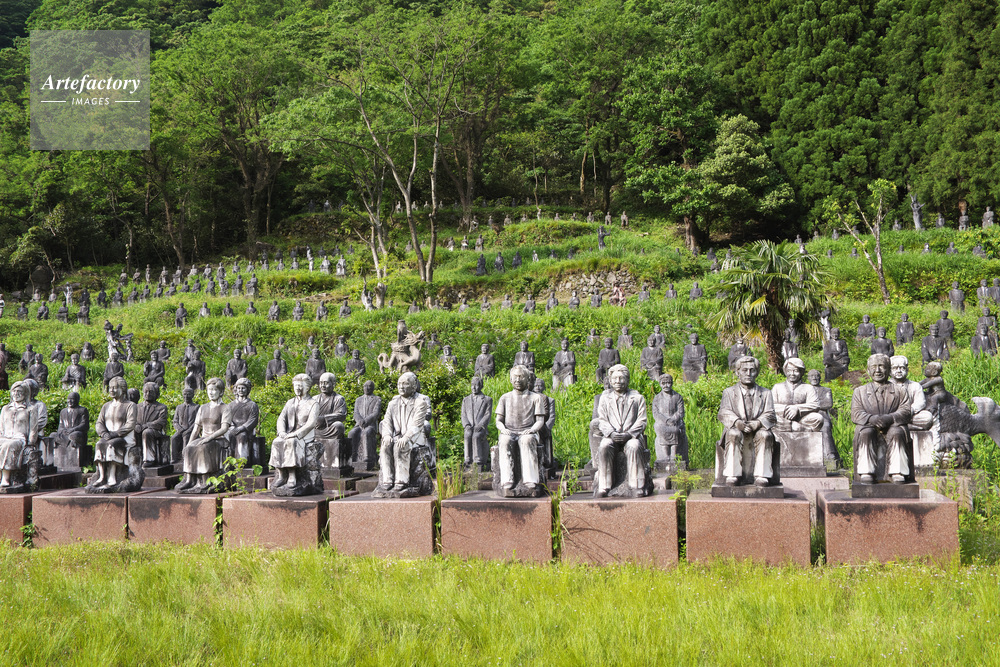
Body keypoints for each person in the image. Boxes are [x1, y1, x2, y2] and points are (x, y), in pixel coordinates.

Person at [851, 354, 913, 485]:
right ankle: (866, 472)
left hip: (893, 425)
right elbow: (856, 413)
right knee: (866, 432)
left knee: (897, 432)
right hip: (869, 425)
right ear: (868, 370)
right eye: (874, 367)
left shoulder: (900, 390)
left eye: (882, 366)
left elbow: (906, 411)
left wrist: (890, 418)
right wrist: (871, 418)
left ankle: (898, 472)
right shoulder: (860, 391)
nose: (878, 370)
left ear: (889, 370)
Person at [717, 356, 777, 487]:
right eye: (744, 370)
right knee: (733, 434)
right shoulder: (729, 392)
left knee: (765, 435)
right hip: (736, 428)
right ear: (737, 372)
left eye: (752, 370)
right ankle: (732, 475)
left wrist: (758, 423)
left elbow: (771, 414)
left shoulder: (766, 393)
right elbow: (723, 412)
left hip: (758, 429)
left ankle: (762, 475)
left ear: (757, 372)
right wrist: (737, 422)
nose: (748, 373)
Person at [594, 364, 650, 497]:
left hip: (631, 436)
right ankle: (604, 486)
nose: (618, 381)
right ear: (610, 381)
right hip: (611, 435)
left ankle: (636, 486)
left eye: (621, 378)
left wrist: (629, 434)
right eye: (614, 379)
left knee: (634, 446)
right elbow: (602, 420)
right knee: (604, 446)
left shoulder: (637, 398)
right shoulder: (604, 398)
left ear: (627, 379)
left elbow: (642, 421)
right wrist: (611, 433)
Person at [376, 372, 434, 497]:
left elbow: (417, 425)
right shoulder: (392, 403)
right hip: (398, 435)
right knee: (385, 446)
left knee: (400, 446)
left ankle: (401, 481)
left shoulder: (420, 402)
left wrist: (406, 438)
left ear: (413, 386)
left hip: (415, 437)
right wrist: (387, 435)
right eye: (399, 384)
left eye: (405, 384)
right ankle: (387, 479)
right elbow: (387, 422)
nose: (401, 387)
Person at [494, 366, 546, 495]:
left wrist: (532, 430)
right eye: (515, 377)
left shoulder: (536, 398)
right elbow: (498, 420)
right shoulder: (505, 398)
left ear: (527, 379)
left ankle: (530, 480)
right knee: (504, 441)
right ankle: (507, 480)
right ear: (511, 379)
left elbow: (540, 420)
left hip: (528, 431)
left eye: (521, 376)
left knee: (527, 440)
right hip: (509, 431)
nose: (518, 380)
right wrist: (503, 429)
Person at [176, 378, 231, 493]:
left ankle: (205, 481)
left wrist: (209, 438)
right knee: (189, 448)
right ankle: (189, 479)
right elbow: (196, 429)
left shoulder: (225, 408)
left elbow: (224, 428)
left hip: (218, 439)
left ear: (221, 392)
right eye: (209, 390)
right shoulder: (202, 407)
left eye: (214, 390)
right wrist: (189, 443)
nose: (211, 392)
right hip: (204, 438)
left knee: (202, 448)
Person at [87, 376, 139, 492]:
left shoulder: (130, 405)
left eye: (115, 388)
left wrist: (115, 434)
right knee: (99, 444)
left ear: (122, 389)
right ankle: (101, 477)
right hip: (108, 436)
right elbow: (99, 422)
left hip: (124, 437)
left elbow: (130, 424)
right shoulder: (106, 406)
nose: (112, 390)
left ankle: (112, 477)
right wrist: (103, 433)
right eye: (110, 388)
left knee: (112, 445)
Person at [771, 358, 823, 432]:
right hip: (782, 418)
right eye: (789, 371)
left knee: (818, 418)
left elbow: (815, 404)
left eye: (795, 371)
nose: (792, 374)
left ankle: (792, 427)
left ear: (801, 372)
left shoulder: (808, 387)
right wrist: (786, 409)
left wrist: (797, 408)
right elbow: (771, 406)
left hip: (802, 419)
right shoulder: (777, 387)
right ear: (785, 372)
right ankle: (795, 427)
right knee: (769, 418)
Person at [652, 374, 687, 469]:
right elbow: (656, 413)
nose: (666, 385)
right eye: (663, 383)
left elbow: (680, 412)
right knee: (661, 429)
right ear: (660, 384)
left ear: (671, 383)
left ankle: (674, 455)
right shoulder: (657, 398)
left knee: (675, 429)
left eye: (668, 383)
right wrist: (666, 420)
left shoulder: (677, 397)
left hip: (674, 421)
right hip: (662, 422)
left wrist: (673, 419)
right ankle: (665, 456)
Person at [348, 381, 381, 470]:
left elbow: (376, 413)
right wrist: (359, 421)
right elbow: (356, 413)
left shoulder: (377, 399)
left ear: (372, 388)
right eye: (365, 386)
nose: (366, 388)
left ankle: (367, 457)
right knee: (351, 433)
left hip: (370, 425)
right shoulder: (358, 400)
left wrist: (366, 421)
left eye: (369, 386)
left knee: (366, 432)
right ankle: (353, 456)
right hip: (359, 425)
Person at [461, 376, 493, 471]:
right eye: (472, 385)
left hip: (480, 427)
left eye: (476, 385)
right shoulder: (466, 400)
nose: (474, 387)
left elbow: (487, 415)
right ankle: (467, 459)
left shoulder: (487, 399)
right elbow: (463, 414)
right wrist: (466, 425)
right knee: (467, 434)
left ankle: (478, 460)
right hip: (469, 426)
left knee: (476, 436)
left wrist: (480, 425)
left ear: (481, 386)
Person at [228, 378, 261, 464]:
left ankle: (241, 463)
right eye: (239, 388)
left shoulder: (252, 405)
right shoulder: (230, 405)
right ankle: (228, 463)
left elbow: (253, 420)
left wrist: (241, 428)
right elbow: (227, 418)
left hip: (246, 430)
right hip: (232, 429)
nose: (241, 390)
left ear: (248, 389)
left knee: (242, 436)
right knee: (226, 436)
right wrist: (232, 427)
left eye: (243, 388)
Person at [170, 387, 199, 463]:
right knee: (173, 438)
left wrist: (189, 430)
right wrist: (179, 429)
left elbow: (197, 422)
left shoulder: (196, 407)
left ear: (192, 395)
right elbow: (175, 421)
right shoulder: (179, 407)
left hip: (191, 430)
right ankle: (174, 458)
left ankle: (185, 457)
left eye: (188, 394)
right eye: (185, 394)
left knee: (186, 437)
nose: (186, 396)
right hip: (180, 429)